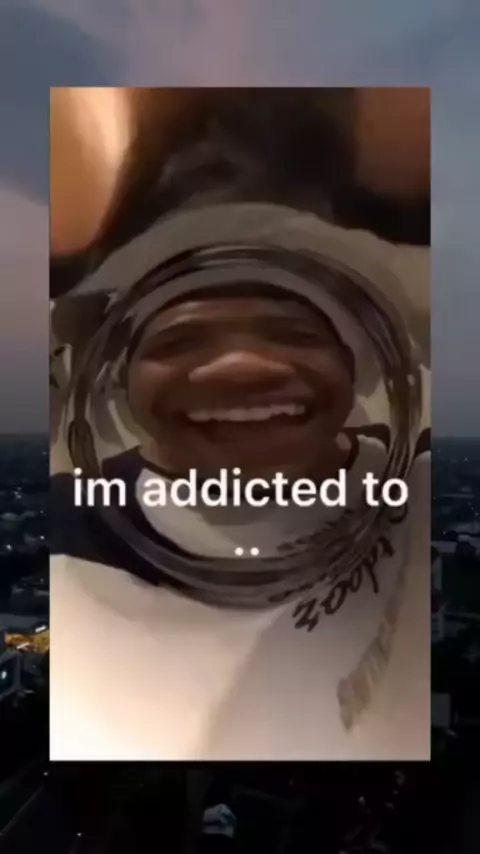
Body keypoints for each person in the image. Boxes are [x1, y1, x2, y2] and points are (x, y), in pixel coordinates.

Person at [50, 88, 430, 760]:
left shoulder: (421, 486)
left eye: (296, 332)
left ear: (362, 362)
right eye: (178, 340)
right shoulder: (67, 530)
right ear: (116, 377)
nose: (240, 367)